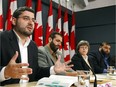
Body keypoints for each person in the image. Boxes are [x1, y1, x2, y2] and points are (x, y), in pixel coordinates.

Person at [0, 6, 72, 86]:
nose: (31, 23)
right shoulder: (2, 38)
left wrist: (53, 70)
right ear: (14, 20)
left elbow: (36, 72)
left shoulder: (32, 45)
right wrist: (5, 72)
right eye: (26, 18)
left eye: (33, 20)